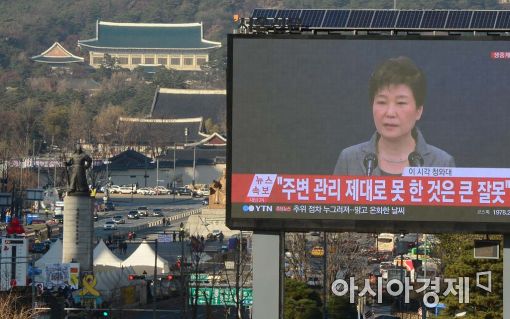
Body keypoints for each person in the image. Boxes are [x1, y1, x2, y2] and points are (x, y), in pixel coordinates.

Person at [333, 56, 455, 176]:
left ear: (418, 111)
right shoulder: (349, 160)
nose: (390, 113)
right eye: (382, 102)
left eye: (401, 103)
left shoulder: (442, 163)